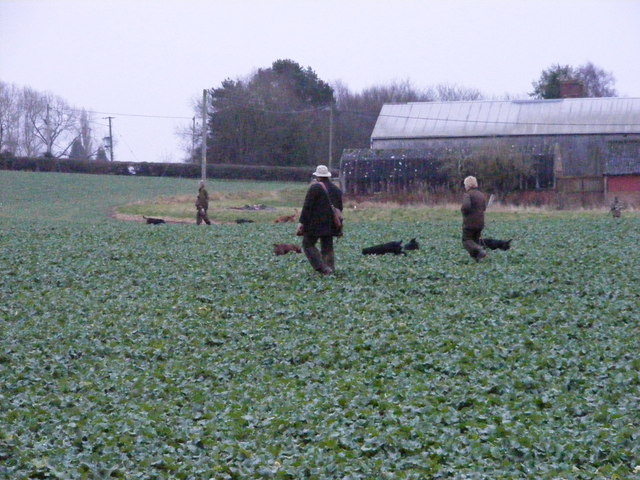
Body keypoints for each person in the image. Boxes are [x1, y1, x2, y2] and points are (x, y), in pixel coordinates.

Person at [296, 165, 343, 275]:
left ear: (318, 177)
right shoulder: (336, 190)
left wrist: (301, 222)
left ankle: (322, 268)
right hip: (331, 224)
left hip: (315, 224)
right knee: (327, 247)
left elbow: (307, 207)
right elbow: (339, 209)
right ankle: (330, 268)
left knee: (308, 244)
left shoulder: (315, 188)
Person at [461, 175, 487, 261]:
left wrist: (464, 212)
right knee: (475, 240)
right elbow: (484, 208)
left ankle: (480, 251)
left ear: (467, 185)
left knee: (466, 240)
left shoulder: (468, 195)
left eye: (465, 184)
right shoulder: (481, 195)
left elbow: (466, 207)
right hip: (480, 223)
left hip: (470, 223)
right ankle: (477, 259)